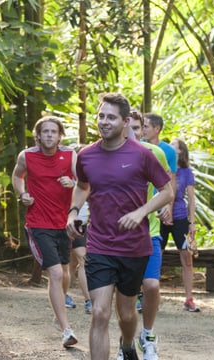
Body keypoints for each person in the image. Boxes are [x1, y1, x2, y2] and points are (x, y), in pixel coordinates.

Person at [65, 93, 174, 360]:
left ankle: (127, 344)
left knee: (126, 314)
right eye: (101, 116)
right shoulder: (86, 155)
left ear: (125, 121)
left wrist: (141, 211)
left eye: (111, 117)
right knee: (100, 313)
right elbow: (82, 187)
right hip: (100, 244)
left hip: (134, 247)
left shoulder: (142, 155)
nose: (104, 122)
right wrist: (73, 212)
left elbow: (167, 191)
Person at [11, 116, 80, 348]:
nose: (49, 135)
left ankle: (57, 311)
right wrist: (22, 195)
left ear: (60, 135)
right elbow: (17, 176)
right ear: (38, 135)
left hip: (63, 223)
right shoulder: (27, 156)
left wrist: (72, 183)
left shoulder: (70, 155)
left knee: (65, 271)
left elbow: (83, 183)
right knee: (56, 274)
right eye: (45, 132)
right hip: (38, 224)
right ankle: (66, 330)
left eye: (54, 131)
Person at [128, 111, 171, 360]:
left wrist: (165, 204)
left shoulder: (155, 153)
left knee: (152, 285)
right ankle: (126, 344)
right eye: (130, 127)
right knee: (127, 294)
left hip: (149, 232)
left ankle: (148, 335)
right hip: (120, 237)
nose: (134, 132)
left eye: (138, 127)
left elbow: (167, 185)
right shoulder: (108, 154)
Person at [162, 138, 200, 312]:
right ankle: (147, 296)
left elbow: (191, 199)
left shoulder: (186, 172)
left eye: (175, 150)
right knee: (155, 254)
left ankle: (189, 298)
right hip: (161, 216)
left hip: (179, 217)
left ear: (181, 153)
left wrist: (192, 223)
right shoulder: (162, 168)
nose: (171, 151)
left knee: (186, 257)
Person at [67, 201, 92, 314]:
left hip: (86, 223)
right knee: (77, 260)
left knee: (76, 261)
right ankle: (88, 300)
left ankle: (88, 300)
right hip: (68, 221)